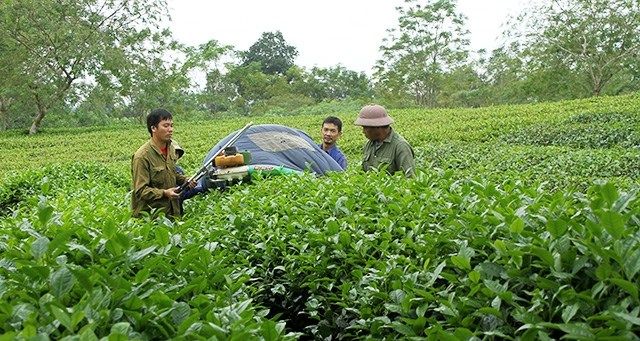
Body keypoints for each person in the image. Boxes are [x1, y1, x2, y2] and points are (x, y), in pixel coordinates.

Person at [131, 109, 195, 219]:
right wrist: (164, 193)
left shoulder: (170, 149)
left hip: (172, 213)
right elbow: (140, 191)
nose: (170, 130)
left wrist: (186, 180)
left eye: (171, 125)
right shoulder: (142, 156)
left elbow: (171, 174)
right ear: (153, 128)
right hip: (151, 218)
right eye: (166, 126)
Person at [354, 104, 416, 178]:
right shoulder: (369, 145)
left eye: (365, 128)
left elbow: (410, 178)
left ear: (377, 127)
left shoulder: (400, 146)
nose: (363, 131)